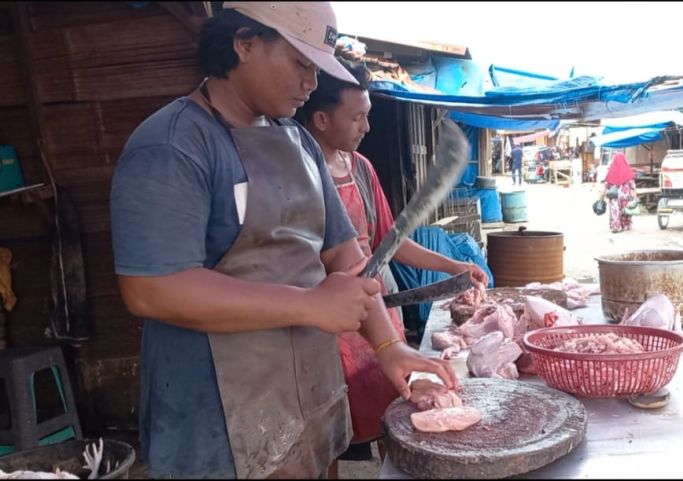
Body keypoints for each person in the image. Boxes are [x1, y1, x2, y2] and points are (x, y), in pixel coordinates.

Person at [109, 2, 457, 478]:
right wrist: (310, 305)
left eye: (316, 69)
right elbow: (152, 288)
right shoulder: (173, 145)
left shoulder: (298, 140)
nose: (311, 83)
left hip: (307, 389)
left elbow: (344, 253)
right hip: (217, 413)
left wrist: (388, 345)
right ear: (245, 43)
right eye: (300, 64)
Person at [296, 58, 489, 461]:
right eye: (357, 117)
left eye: (368, 116)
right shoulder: (294, 175)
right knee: (328, 435)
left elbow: (392, 241)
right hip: (326, 324)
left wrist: (454, 267)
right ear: (321, 119)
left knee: (396, 411)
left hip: (379, 317)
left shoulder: (362, 169)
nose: (367, 127)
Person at [604, 152, 637, 233]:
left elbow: (607, 184)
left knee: (615, 210)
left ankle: (616, 226)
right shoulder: (627, 169)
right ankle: (625, 224)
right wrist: (633, 193)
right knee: (625, 210)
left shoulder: (611, 170)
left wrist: (605, 191)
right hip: (625, 195)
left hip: (614, 195)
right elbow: (632, 184)